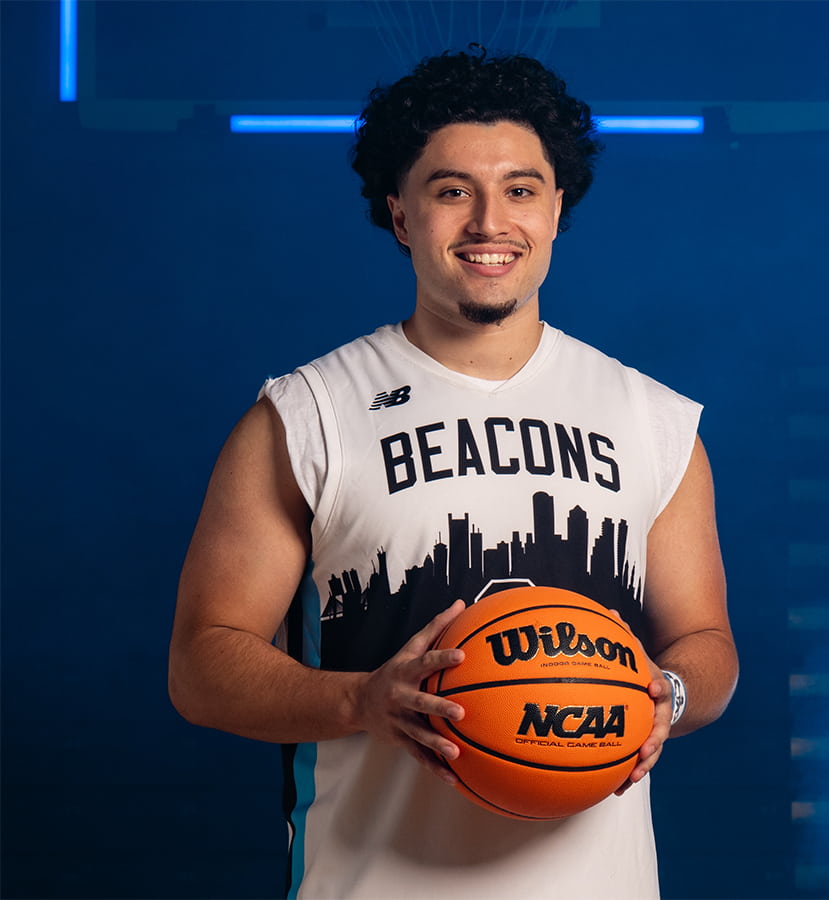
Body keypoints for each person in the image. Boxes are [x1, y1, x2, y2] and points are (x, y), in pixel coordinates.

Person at [169, 48, 738, 900]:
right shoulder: (305, 416)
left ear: (555, 210)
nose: (487, 222)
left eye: (519, 189)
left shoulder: (654, 421)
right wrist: (363, 701)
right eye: (449, 190)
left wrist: (671, 696)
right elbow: (201, 666)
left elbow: (710, 648)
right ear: (401, 215)